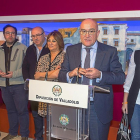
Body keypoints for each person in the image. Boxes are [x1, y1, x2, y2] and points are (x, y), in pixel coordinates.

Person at [58, 19, 125, 140]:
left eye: (91, 31)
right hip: (75, 106)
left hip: (97, 108)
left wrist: (100, 75)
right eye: (84, 31)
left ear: (98, 33)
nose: (87, 35)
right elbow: (61, 76)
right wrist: (72, 73)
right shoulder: (71, 50)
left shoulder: (109, 51)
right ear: (80, 32)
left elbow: (120, 77)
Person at [0, 25, 29, 140]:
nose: (10, 35)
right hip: (4, 85)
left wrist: (14, 74)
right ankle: (12, 133)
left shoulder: (23, 48)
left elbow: (26, 67)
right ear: (4, 35)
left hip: (19, 84)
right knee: (10, 110)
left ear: (16, 35)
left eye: (12, 33)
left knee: (22, 111)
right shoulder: (0, 49)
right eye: (8, 33)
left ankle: (25, 135)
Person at [22, 27, 50, 140]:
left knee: (49, 115)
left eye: (38, 35)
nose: (35, 38)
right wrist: (27, 81)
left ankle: (49, 137)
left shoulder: (50, 48)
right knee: (36, 114)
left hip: (47, 88)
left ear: (44, 35)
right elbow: (25, 67)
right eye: (33, 36)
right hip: (33, 88)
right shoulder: (30, 49)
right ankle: (38, 137)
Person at [34, 30, 65, 117]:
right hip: (44, 95)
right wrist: (52, 73)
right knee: (47, 124)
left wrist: (42, 74)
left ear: (59, 42)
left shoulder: (65, 57)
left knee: (58, 121)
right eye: (49, 40)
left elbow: (59, 75)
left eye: (54, 41)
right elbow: (36, 77)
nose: (50, 43)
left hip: (58, 94)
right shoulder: (43, 58)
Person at [122, 51, 140, 140]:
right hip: (135, 102)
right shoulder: (136, 54)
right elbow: (129, 80)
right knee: (136, 134)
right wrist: (125, 102)